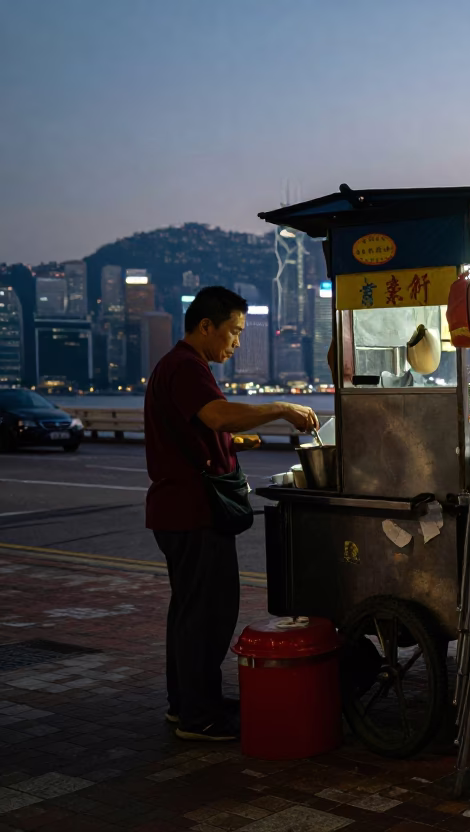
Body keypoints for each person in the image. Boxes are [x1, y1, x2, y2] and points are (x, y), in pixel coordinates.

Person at [145, 286, 319, 741]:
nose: (238, 342)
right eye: (234, 332)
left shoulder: (180, 366)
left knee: (188, 613)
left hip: (178, 510)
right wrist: (282, 408)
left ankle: (186, 704)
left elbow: (201, 429)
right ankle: (200, 718)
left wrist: (233, 442)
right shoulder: (186, 366)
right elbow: (219, 416)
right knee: (207, 614)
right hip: (193, 511)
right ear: (206, 327)